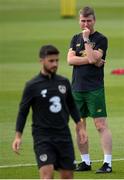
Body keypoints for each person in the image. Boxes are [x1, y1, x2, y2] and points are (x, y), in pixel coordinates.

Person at [12, 44, 87, 179]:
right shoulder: (32, 86)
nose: (55, 64)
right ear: (42, 61)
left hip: (63, 135)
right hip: (43, 137)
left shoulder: (63, 82)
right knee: (47, 174)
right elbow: (23, 112)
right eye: (51, 61)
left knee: (68, 175)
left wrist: (80, 127)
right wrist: (18, 136)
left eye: (57, 60)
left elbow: (72, 106)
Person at [67, 6, 112, 173]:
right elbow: (70, 60)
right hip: (77, 88)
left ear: (94, 20)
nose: (85, 23)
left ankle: (107, 163)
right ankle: (85, 162)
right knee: (80, 126)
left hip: (94, 88)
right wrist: (90, 58)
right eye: (83, 20)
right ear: (79, 21)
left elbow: (93, 59)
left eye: (88, 20)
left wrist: (86, 42)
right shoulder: (74, 38)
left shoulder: (101, 39)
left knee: (100, 125)